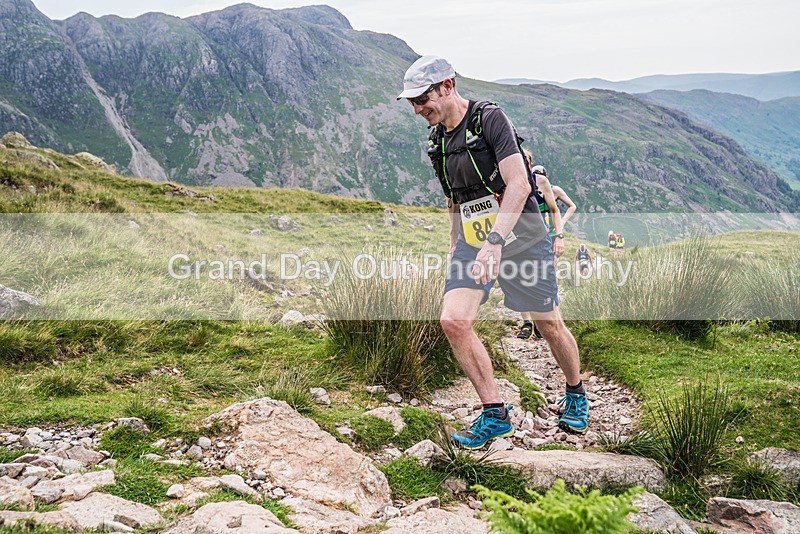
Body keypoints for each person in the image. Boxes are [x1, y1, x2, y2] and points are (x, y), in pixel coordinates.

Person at [397, 56, 588, 447]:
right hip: (474, 242)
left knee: (548, 324)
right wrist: (456, 244)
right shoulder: (437, 141)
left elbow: (519, 184)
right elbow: (455, 199)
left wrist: (495, 242)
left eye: (422, 99)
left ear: (447, 86)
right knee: (454, 321)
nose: (417, 109)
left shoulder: (489, 119)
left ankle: (575, 392)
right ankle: (495, 413)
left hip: (522, 239)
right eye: (412, 102)